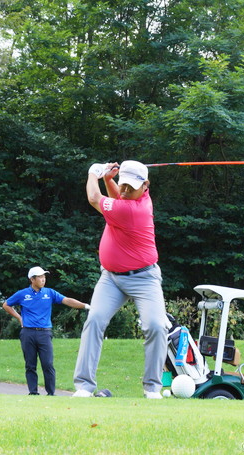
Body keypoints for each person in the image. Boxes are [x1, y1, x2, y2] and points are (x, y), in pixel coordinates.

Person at [73, 160, 168, 399]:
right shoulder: (132, 198)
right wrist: (109, 179)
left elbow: (95, 199)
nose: (124, 191)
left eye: (130, 187)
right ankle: (84, 386)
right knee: (94, 320)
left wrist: (93, 174)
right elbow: (120, 198)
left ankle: (152, 388)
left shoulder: (136, 210)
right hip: (111, 278)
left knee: (156, 326)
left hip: (144, 278)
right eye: (122, 185)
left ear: (145, 185)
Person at [3, 266, 89, 396]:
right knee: (30, 364)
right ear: (32, 279)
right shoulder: (23, 294)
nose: (43, 279)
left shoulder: (49, 293)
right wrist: (19, 318)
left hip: (44, 332)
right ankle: (33, 392)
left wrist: (86, 306)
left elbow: (67, 300)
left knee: (48, 363)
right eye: (40, 277)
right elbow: (6, 305)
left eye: (44, 277)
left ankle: (51, 393)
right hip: (28, 333)